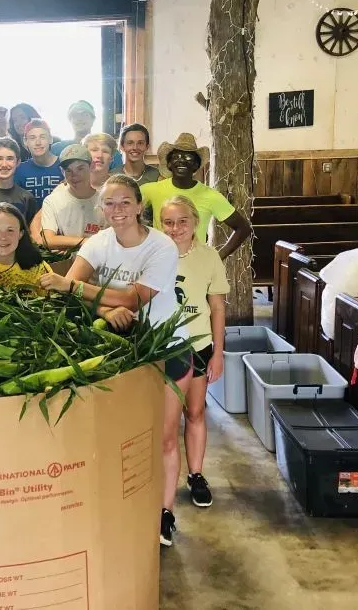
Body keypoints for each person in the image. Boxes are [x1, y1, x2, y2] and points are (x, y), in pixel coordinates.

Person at [36, 175, 189, 549]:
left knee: (165, 437)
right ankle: (124, 510)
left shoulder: (162, 247)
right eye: (109, 203)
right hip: (117, 348)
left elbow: (132, 299)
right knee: (121, 437)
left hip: (164, 345)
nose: (117, 210)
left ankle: (164, 514)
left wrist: (75, 287)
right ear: (101, 208)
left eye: (125, 202)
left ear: (139, 206)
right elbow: (70, 296)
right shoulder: (98, 243)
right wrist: (105, 309)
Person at [160, 196, 228, 514]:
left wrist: (218, 353)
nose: (176, 228)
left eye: (182, 221)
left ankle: (196, 474)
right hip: (160, 346)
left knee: (195, 412)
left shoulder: (209, 256)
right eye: (168, 222)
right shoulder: (152, 253)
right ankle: (161, 482)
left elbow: (217, 307)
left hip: (197, 345)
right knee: (164, 420)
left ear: (195, 223)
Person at [141, 133, 253, 259]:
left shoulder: (211, 196)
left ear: (196, 165)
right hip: (160, 261)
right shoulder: (151, 190)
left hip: (195, 263)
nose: (182, 160)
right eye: (177, 157)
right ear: (169, 164)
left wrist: (217, 257)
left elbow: (243, 228)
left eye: (188, 157)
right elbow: (128, 208)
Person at [32, 144, 104, 250]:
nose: (74, 175)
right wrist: (87, 242)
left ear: (91, 166)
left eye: (80, 168)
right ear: (62, 172)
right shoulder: (52, 201)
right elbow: (48, 240)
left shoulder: (105, 200)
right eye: (68, 170)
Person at [15, 119, 63, 212]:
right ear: (25, 141)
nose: (38, 142)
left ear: (50, 139)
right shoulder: (20, 171)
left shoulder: (65, 166)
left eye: (42, 137)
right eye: (32, 138)